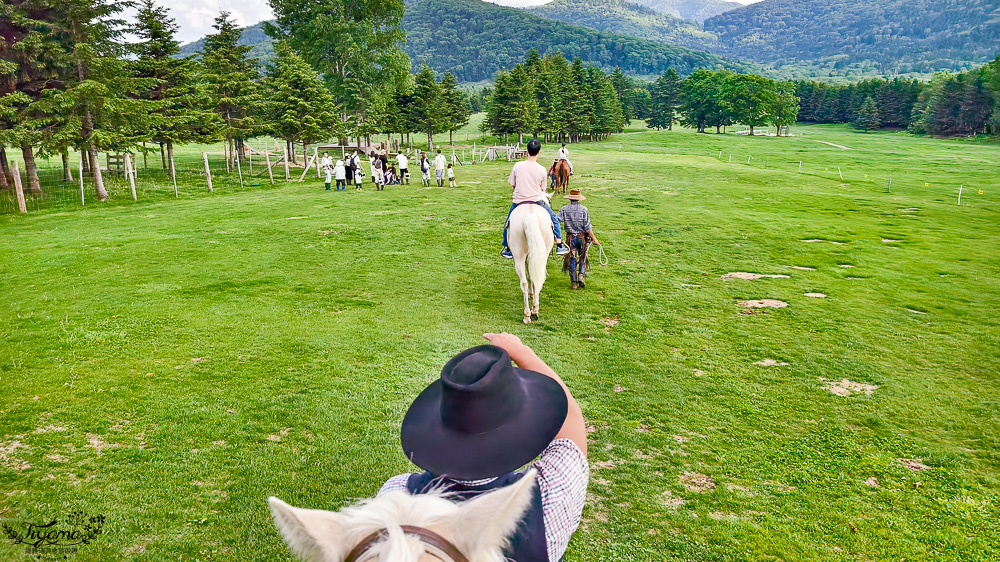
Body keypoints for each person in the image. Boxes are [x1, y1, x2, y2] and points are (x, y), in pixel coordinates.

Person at [379, 334, 588, 562]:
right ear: (522, 428)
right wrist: (522, 352)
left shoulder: (396, 496)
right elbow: (572, 423)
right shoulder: (551, 497)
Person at [501, 139, 570, 259]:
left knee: (508, 223)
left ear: (527, 151)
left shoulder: (517, 166)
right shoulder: (542, 169)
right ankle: (559, 244)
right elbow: (542, 189)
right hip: (537, 201)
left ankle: (507, 248)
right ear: (539, 152)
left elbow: (513, 184)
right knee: (554, 220)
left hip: (518, 202)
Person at [557, 188, 599, 289]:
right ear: (579, 199)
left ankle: (574, 283)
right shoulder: (584, 210)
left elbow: (557, 220)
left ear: (570, 199)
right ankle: (581, 275)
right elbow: (587, 227)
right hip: (582, 237)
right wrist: (594, 239)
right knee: (583, 257)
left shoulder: (564, 209)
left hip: (570, 238)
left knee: (571, 258)